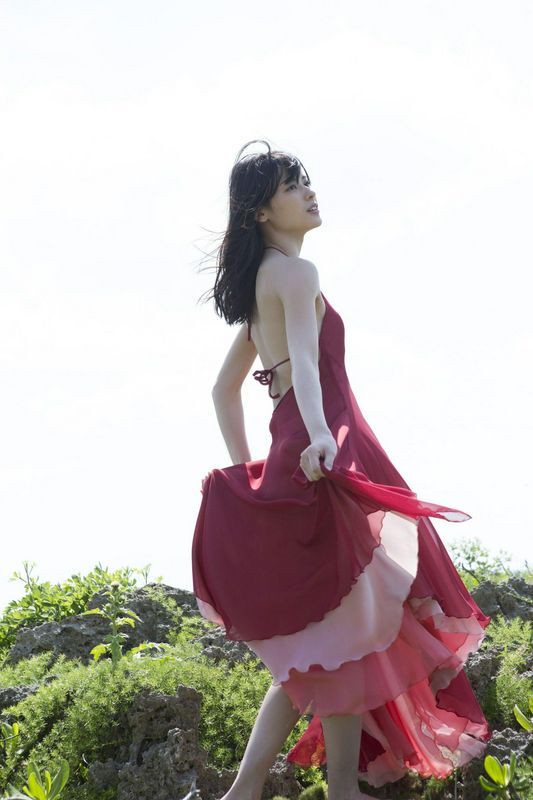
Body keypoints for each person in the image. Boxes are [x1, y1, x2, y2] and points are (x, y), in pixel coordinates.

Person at [191, 139, 491, 800]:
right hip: (321, 450)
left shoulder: (264, 284)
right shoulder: (296, 274)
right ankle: (323, 791)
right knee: (344, 633)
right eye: (291, 186)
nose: (308, 192)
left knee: (331, 642)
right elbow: (302, 355)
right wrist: (322, 434)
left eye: (305, 181)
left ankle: (262, 792)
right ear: (262, 211)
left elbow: (222, 390)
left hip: (297, 451)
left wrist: (250, 470)